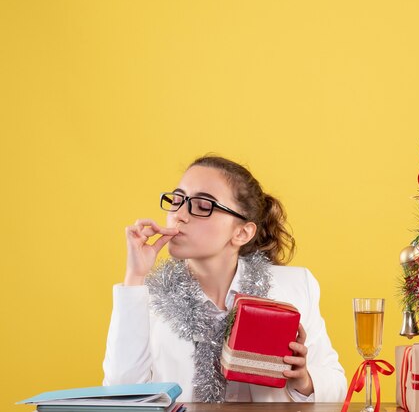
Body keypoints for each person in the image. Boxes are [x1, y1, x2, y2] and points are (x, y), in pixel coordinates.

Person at [103, 155, 347, 403]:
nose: (179, 215)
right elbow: (122, 396)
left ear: (242, 232)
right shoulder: (147, 297)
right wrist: (135, 276)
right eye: (177, 201)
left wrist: (303, 380)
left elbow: (336, 385)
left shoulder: (294, 286)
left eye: (202, 206)